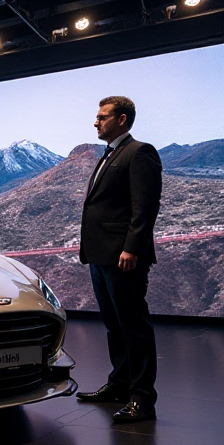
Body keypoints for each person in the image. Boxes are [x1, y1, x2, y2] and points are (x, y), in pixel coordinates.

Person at [75, 96, 162, 423]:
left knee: (133, 327)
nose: (96, 122)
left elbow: (145, 206)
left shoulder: (140, 153)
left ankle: (142, 399)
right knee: (114, 326)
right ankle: (119, 384)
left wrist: (132, 248)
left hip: (123, 256)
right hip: (100, 256)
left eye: (102, 117)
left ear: (122, 120)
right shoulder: (108, 155)